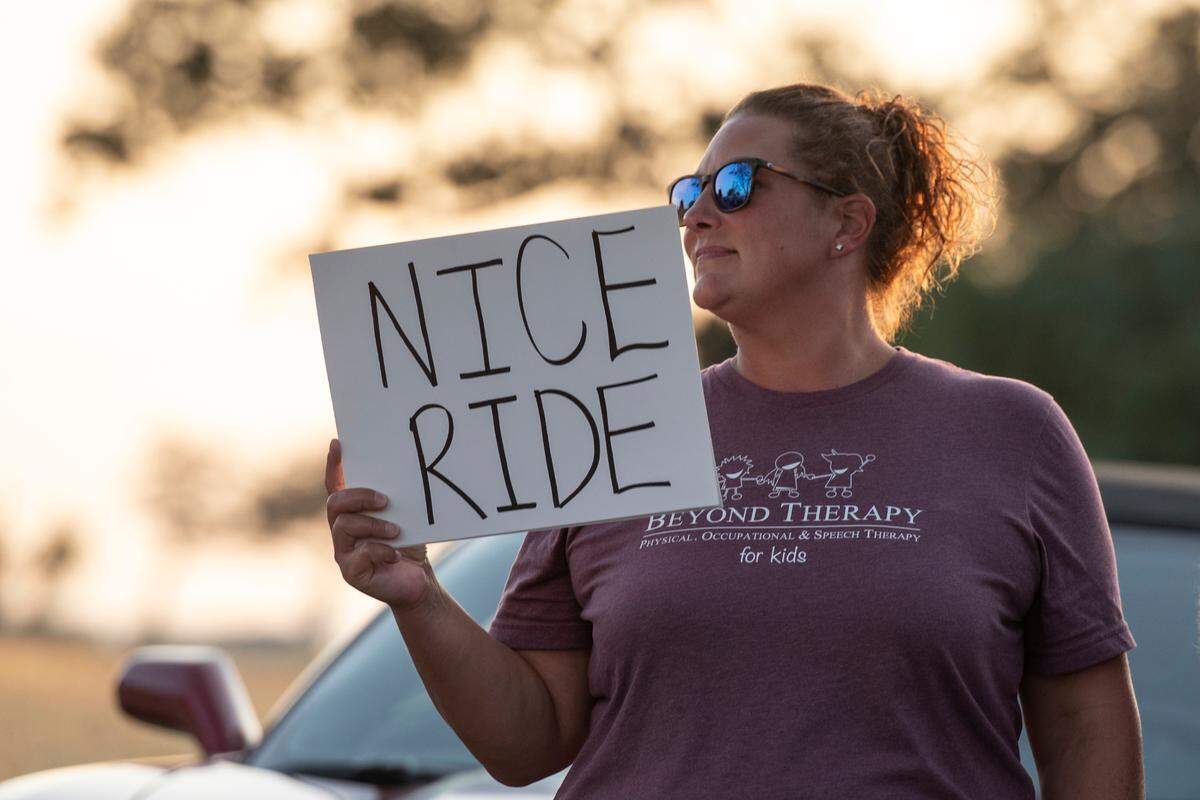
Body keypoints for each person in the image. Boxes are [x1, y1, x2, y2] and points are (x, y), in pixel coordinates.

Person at [324, 82, 1143, 799]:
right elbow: (527, 744)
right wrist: (419, 597)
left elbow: (1085, 731)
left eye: (738, 184)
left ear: (846, 223)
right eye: (690, 192)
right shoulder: (618, 422)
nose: (697, 215)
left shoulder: (1010, 431)